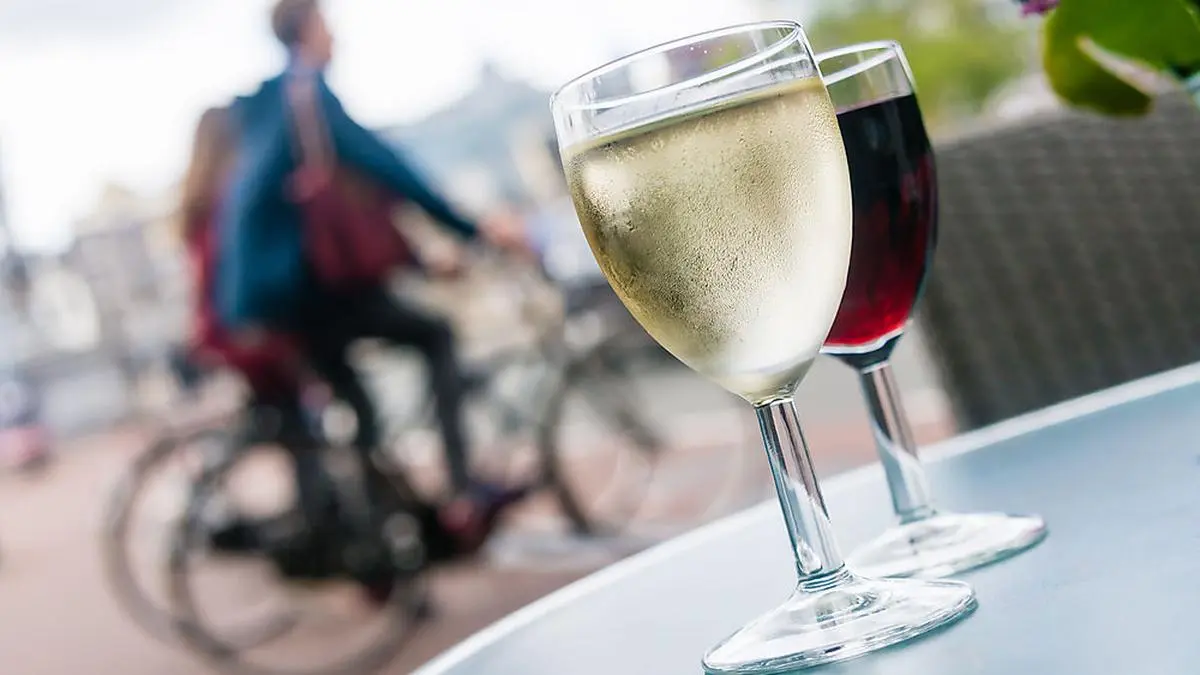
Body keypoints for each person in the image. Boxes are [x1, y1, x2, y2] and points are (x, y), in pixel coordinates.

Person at [216, 0, 529, 557]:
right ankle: (460, 494)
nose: (335, 34)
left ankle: (380, 541)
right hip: (312, 289)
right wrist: (473, 228)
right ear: (308, 28)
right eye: (327, 22)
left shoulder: (264, 106)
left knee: (359, 411)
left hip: (274, 296)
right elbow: (388, 168)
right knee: (435, 335)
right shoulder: (306, 94)